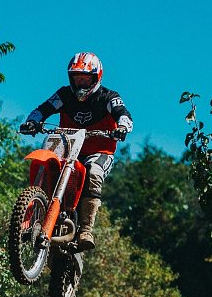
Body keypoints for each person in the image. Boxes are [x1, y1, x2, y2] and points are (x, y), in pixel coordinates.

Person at [19, 52, 133, 251]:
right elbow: (43, 109)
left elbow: (123, 114)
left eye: (85, 78)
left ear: (96, 77)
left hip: (99, 150)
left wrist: (122, 128)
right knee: (47, 162)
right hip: (68, 147)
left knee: (93, 173)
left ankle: (86, 229)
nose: (81, 83)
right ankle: (28, 217)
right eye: (77, 78)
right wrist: (32, 121)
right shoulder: (64, 95)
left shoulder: (108, 97)